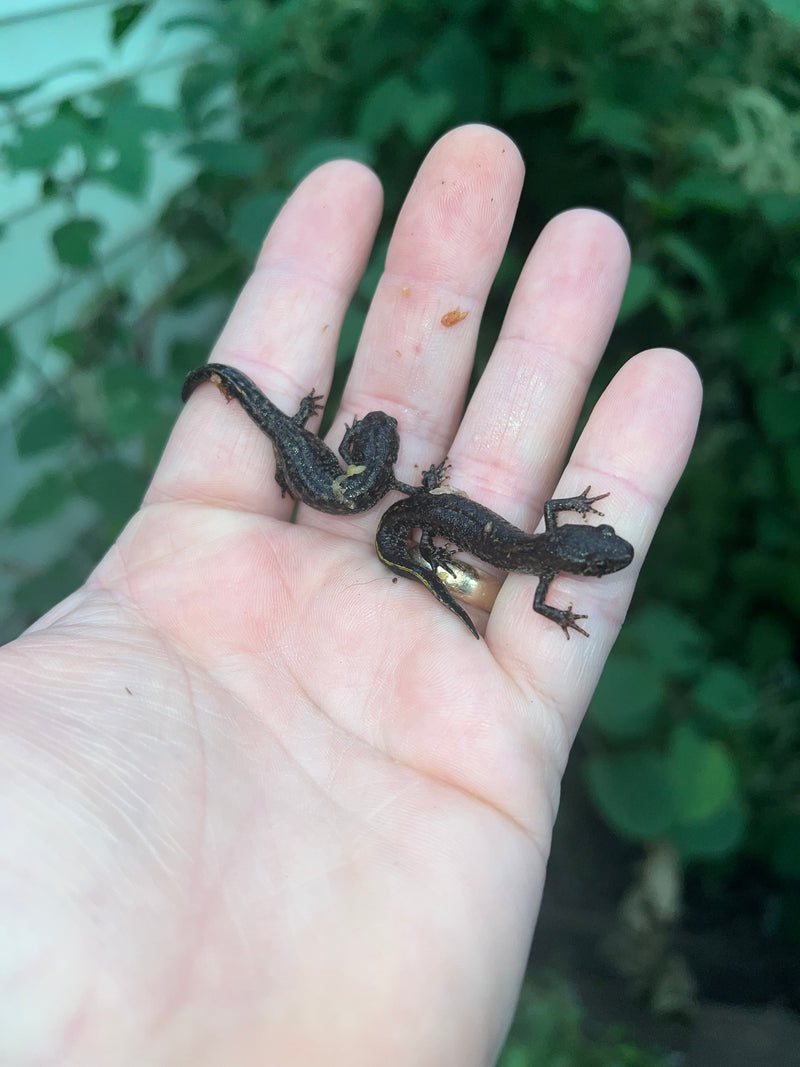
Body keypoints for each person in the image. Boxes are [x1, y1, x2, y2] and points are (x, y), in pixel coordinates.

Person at [0, 125, 701, 1065]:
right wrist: (464, 564)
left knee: (405, 532)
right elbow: (500, 572)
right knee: (403, 536)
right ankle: (411, 552)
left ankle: (410, 549)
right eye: (593, 560)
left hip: (417, 515)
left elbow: (491, 547)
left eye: (594, 561)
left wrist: (449, 540)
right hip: (414, 517)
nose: (593, 558)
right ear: (571, 558)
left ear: (575, 554)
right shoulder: (535, 569)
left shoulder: (540, 560)